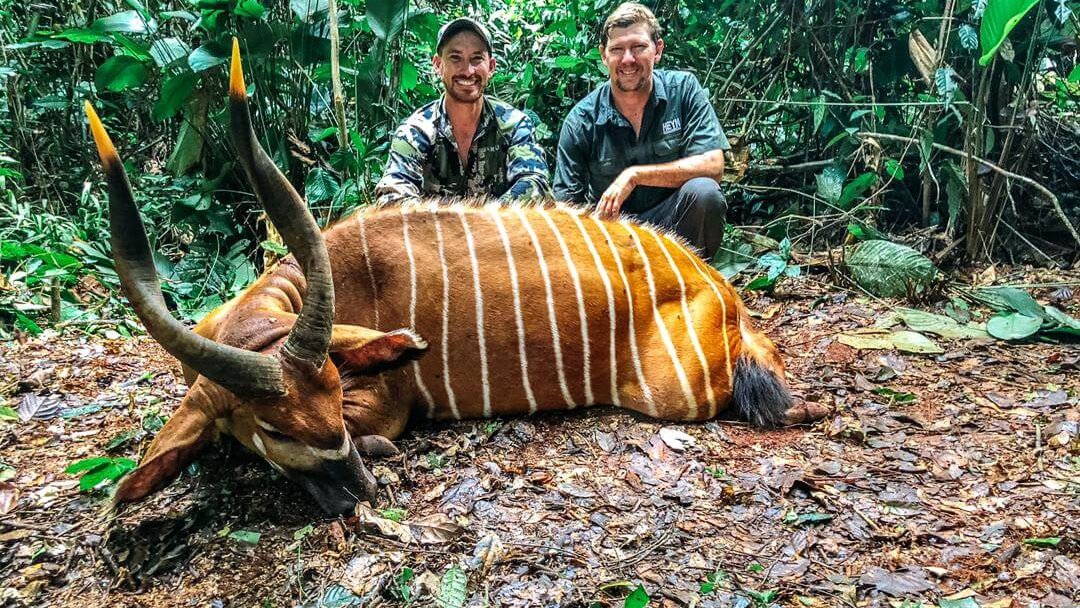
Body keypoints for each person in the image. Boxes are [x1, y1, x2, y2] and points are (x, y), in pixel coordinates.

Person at [553, 2, 729, 259]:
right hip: (612, 237)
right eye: (617, 49)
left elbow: (713, 165)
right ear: (604, 55)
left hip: (674, 227)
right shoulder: (581, 120)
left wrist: (634, 176)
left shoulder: (684, 89)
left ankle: (693, 287)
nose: (628, 59)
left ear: (657, 50)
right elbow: (565, 206)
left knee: (705, 193)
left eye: (638, 47)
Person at [375, 18, 550, 205]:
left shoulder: (514, 124)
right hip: (435, 232)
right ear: (437, 65)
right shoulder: (414, 132)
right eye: (455, 58)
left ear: (491, 67)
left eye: (477, 59)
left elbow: (534, 183)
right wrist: (450, 228)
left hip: (499, 231)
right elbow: (391, 198)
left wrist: (486, 220)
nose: (467, 71)